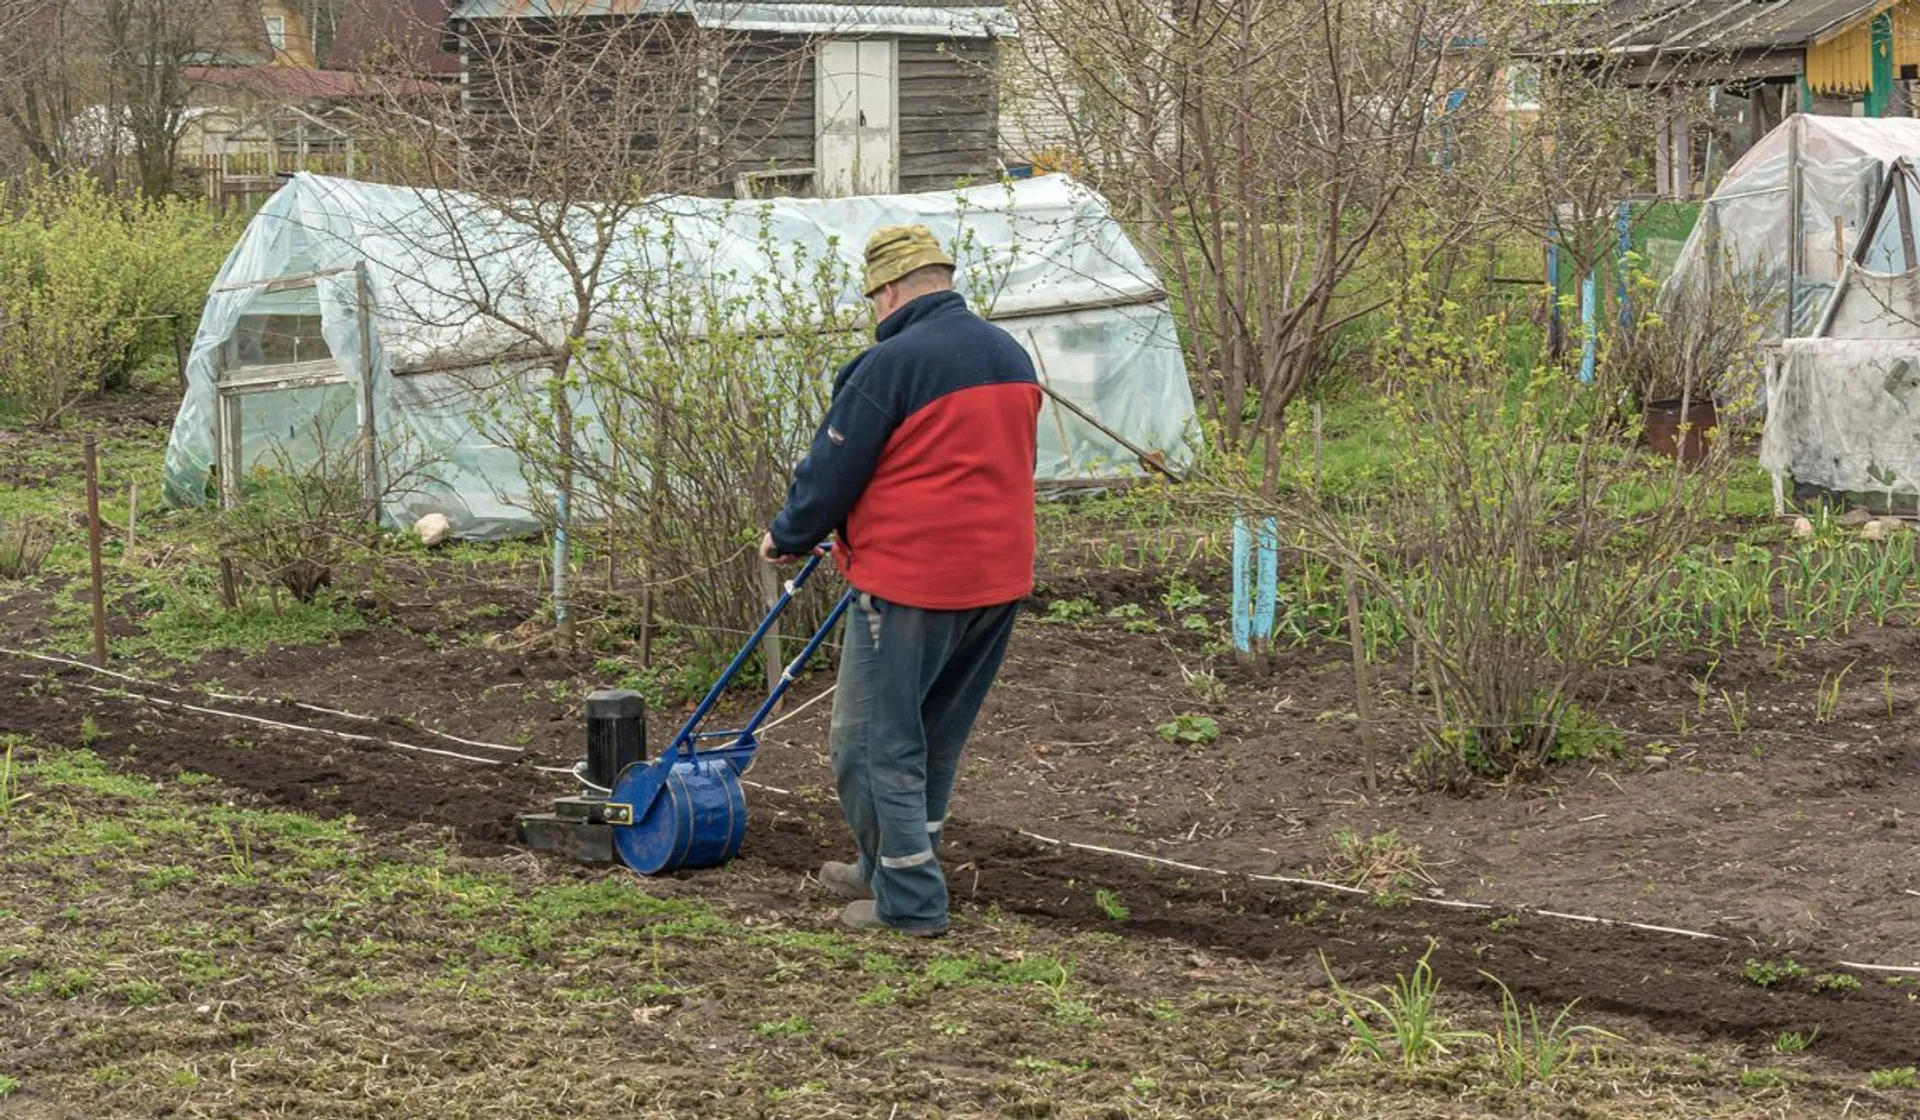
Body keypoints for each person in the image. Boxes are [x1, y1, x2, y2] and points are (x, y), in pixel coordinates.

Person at [760, 224, 1041, 937]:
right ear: (942, 281)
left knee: (872, 740)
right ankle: (887, 863)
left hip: (915, 580)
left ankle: (910, 902)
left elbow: (834, 468)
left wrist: (789, 535)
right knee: (935, 733)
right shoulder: (1009, 354)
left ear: (886, 292)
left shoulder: (890, 363)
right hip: (999, 576)